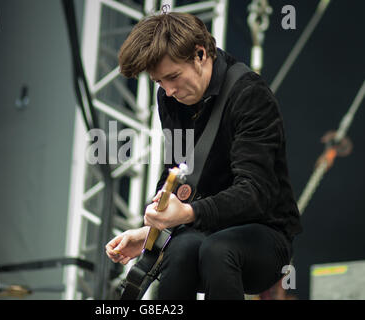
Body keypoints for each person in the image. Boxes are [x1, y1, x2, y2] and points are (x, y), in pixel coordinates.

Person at [105, 11, 303, 300]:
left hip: (264, 235)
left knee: (217, 250)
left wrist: (188, 213)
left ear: (200, 54)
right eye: (160, 82)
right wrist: (150, 232)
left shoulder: (249, 95)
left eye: (173, 77)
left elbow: (255, 191)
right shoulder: (170, 98)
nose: (169, 91)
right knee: (181, 251)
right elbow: (178, 170)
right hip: (200, 227)